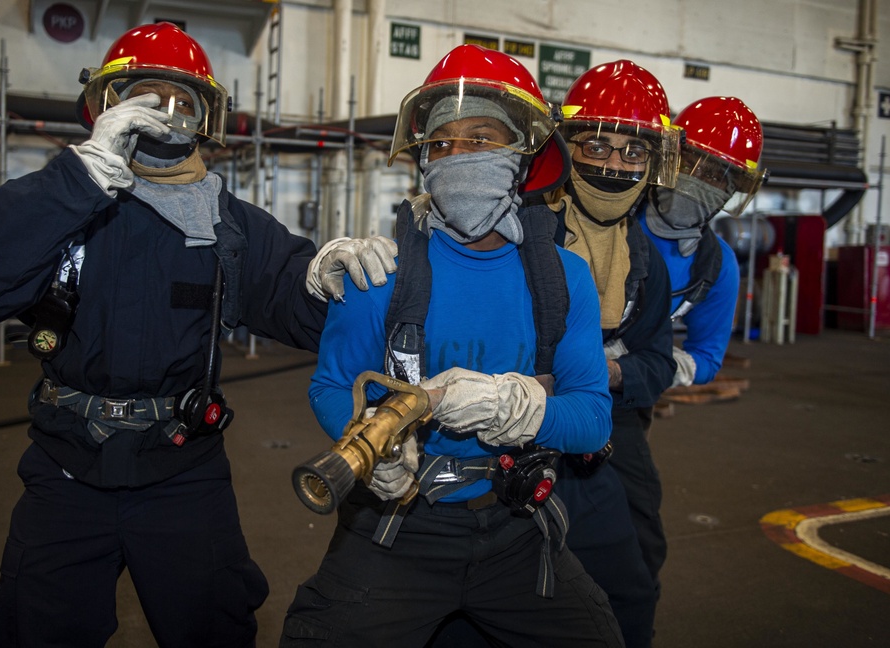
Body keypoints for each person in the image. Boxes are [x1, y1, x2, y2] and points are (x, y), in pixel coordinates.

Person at [0, 22, 395, 648]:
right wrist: (80, 178)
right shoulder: (63, 201)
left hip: (183, 471)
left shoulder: (227, 223)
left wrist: (328, 281)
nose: (163, 116)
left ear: (206, 119)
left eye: (182, 101)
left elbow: (299, 303)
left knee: (215, 624)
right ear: (105, 108)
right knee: (35, 626)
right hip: (66, 465)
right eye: (142, 98)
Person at [280, 44, 624, 648]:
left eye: (482, 138)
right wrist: (373, 443)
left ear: (522, 155)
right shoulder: (376, 275)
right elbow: (331, 383)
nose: (458, 155)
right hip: (398, 527)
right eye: (442, 144)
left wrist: (518, 408)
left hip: (516, 524)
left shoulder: (563, 279)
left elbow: (593, 420)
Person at [541, 60, 679, 608]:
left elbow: (660, 361)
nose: (615, 164)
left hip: (615, 423)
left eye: (633, 151)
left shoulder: (647, 264)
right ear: (567, 145)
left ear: (652, 162)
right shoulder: (524, 232)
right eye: (597, 145)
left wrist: (611, 372)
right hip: (523, 419)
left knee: (636, 567)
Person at [640, 96, 766, 387]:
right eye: (689, 164)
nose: (696, 180)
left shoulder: (716, 266)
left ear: (732, 189)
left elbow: (706, 358)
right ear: (669, 157)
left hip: (628, 396)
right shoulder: (611, 217)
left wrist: (646, 368)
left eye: (713, 175)